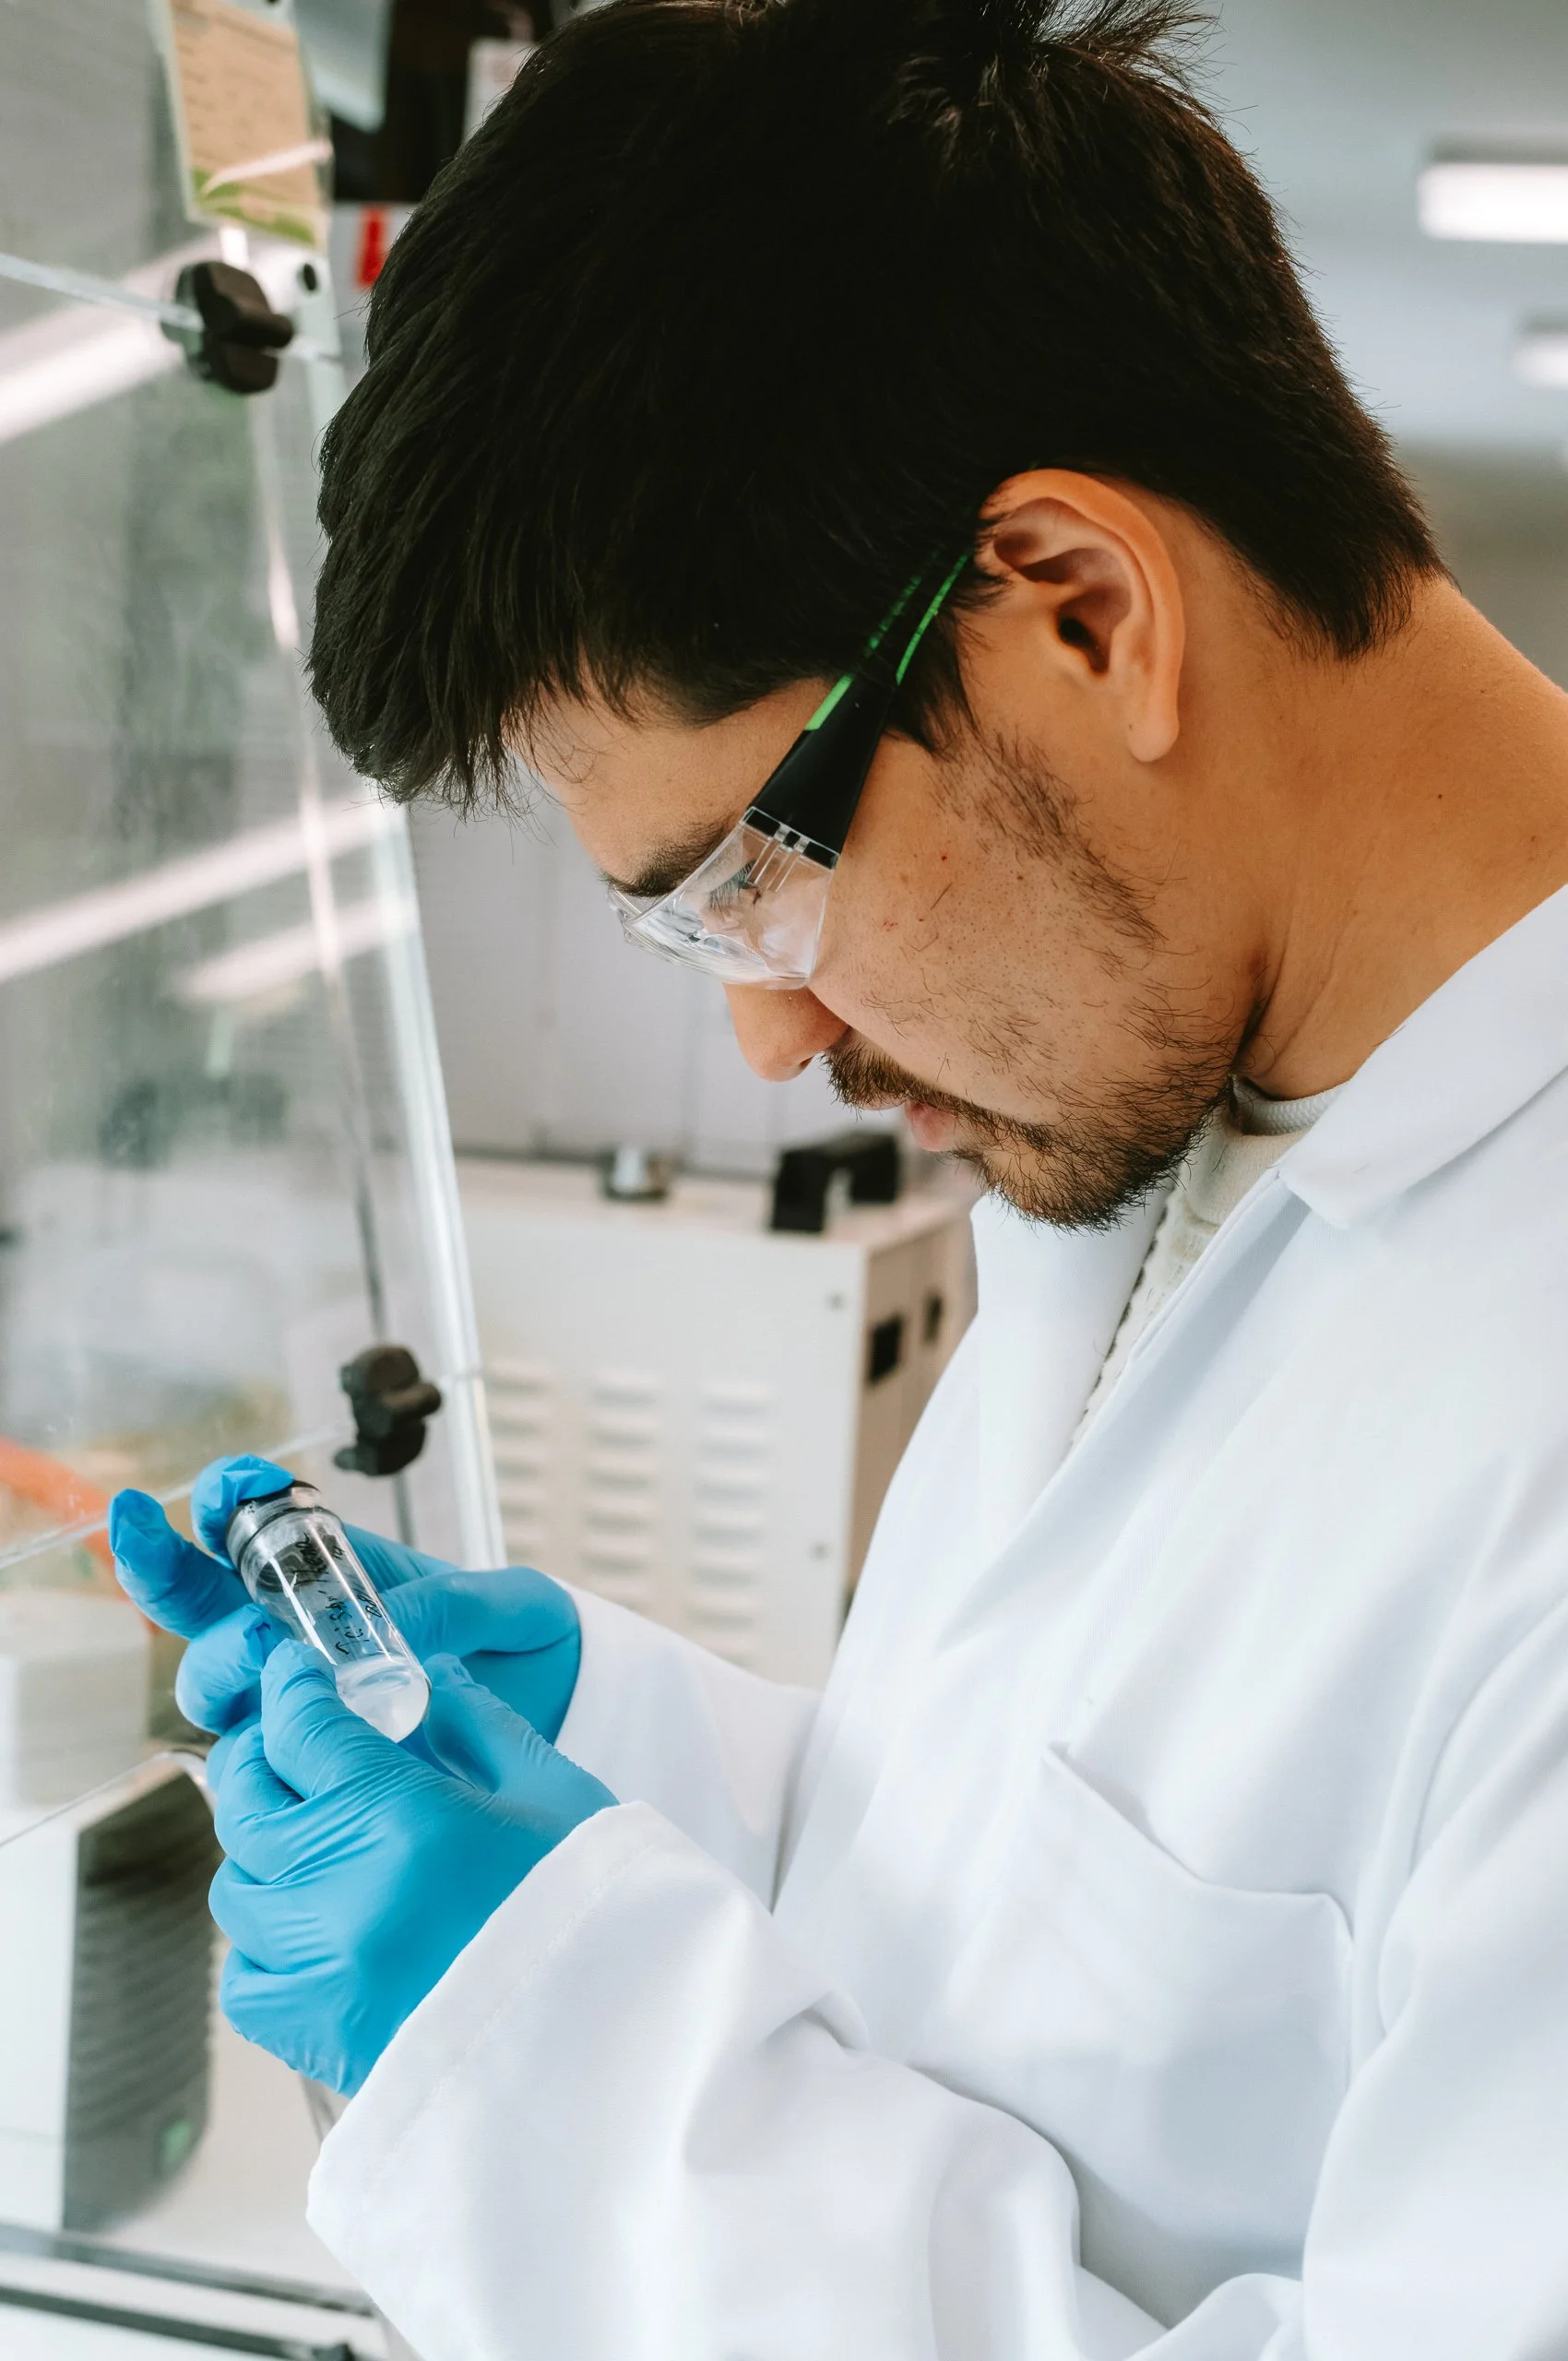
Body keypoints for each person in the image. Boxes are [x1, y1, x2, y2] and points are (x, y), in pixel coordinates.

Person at [110, 0, 1568, 2352]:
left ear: (1080, 606)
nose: (772, 1035)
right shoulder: (1191, 1105)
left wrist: (551, 2059)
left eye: (747, 882)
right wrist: (609, 1752)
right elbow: (1061, 1918)